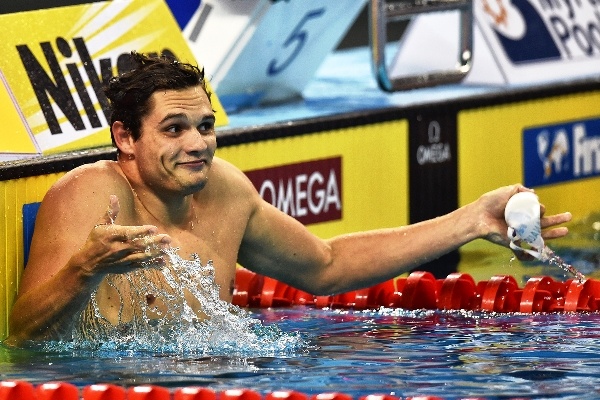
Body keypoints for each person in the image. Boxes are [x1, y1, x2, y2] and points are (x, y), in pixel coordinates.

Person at [5, 52, 572, 346]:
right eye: (174, 129)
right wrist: (83, 270)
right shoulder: (93, 194)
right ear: (125, 137)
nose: (198, 144)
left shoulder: (225, 190)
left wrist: (470, 219)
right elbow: (24, 335)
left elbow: (325, 267)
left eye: (205, 125)